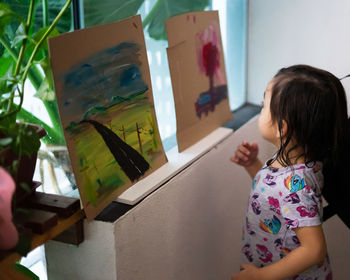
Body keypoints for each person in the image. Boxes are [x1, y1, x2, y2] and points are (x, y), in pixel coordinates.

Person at [230, 64, 350, 280]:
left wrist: (262, 276)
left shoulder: (298, 184)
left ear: (281, 128)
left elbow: (314, 250)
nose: (261, 109)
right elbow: (277, 195)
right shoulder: (299, 165)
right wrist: (253, 165)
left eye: (263, 105)